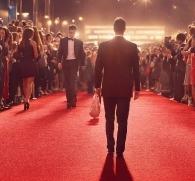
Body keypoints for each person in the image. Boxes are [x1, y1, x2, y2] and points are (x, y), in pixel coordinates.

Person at [94, 17, 140, 158]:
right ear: (124, 29)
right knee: (122, 119)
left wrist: (97, 86)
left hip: (108, 86)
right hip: (125, 87)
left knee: (109, 118)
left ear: (113, 28)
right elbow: (136, 69)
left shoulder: (103, 46)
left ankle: (110, 146)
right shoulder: (132, 46)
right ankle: (120, 149)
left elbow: (97, 69)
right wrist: (137, 88)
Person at [57, 25, 85, 109]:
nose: (71, 34)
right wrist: (59, 62)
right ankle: (69, 100)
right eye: (70, 32)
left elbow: (82, 54)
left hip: (74, 63)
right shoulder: (62, 41)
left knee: (72, 82)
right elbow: (60, 52)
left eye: (73, 32)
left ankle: (72, 99)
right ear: (68, 31)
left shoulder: (79, 42)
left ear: (75, 32)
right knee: (67, 82)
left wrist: (83, 64)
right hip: (65, 63)